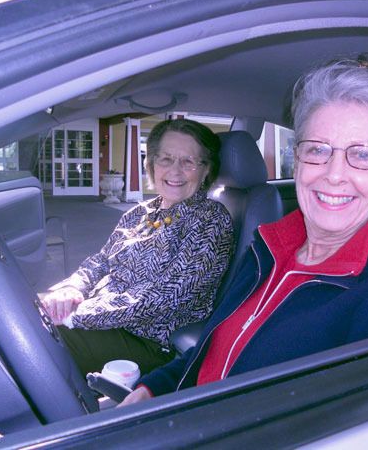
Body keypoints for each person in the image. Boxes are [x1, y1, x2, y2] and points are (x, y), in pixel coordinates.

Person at [121, 53, 368, 405]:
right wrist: (151, 388)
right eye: (318, 150)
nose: (334, 174)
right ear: (297, 161)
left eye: (364, 155)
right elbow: (216, 353)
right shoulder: (266, 250)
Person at [42, 118, 234, 375]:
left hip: (148, 341)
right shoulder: (141, 212)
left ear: (206, 170)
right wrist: (70, 289)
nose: (175, 171)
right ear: (151, 164)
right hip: (105, 321)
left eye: (188, 161)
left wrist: (75, 315)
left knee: (36, 340)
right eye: (165, 159)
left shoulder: (210, 220)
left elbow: (165, 297)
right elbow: (101, 261)